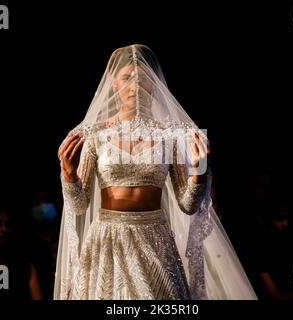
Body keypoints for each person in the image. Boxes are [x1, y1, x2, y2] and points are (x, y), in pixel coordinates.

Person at [54, 44, 257, 300]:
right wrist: (69, 174)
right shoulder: (96, 134)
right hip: (107, 241)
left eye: (143, 79)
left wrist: (200, 174)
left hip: (155, 239)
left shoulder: (172, 135)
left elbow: (189, 205)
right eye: (127, 78)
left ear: (155, 83)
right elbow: (80, 205)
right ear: (113, 84)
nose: (135, 86)